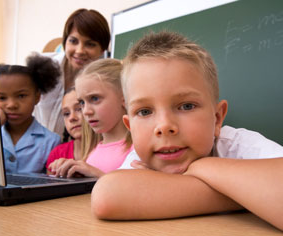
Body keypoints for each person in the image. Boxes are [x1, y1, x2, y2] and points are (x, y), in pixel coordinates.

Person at [90, 32, 283, 231]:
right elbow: (107, 195)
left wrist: (204, 167)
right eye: (145, 111)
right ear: (130, 127)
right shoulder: (139, 157)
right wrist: (247, 193)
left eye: (186, 106)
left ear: (217, 118)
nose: (164, 126)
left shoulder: (239, 145)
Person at [33, 9, 111, 138]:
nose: (80, 51)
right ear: (65, 42)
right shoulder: (41, 67)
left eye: (90, 44)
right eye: (73, 41)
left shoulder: (104, 81)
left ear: (102, 50)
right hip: (36, 148)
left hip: (74, 152)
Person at [52, 58, 133, 178]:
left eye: (95, 99)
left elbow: (135, 192)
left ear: (124, 97)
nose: (86, 111)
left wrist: (97, 175)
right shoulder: (92, 151)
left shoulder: (138, 150)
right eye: (82, 102)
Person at [0, 53, 61, 174]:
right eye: (2, 98)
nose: (11, 105)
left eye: (21, 96)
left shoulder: (52, 142)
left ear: (37, 97)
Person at [46, 87, 83, 175]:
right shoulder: (57, 154)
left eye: (79, 109)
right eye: (66, 114)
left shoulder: (108, 150)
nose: (72, 118)